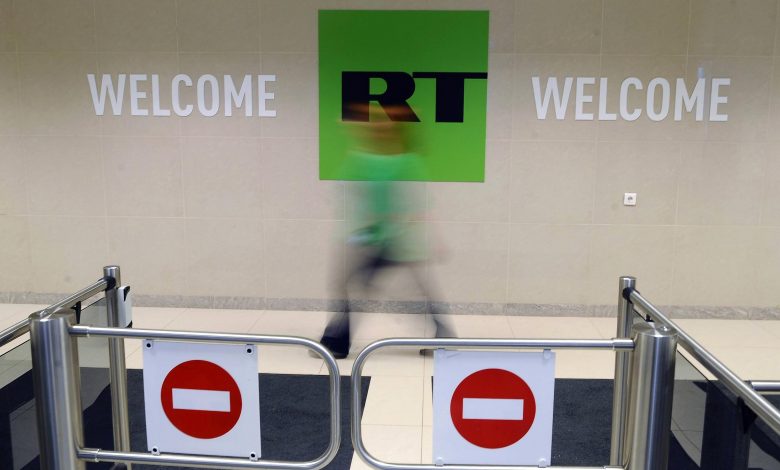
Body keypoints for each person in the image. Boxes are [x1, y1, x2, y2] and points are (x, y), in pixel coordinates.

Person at [317, 104, 454, 359]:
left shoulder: (407, 162)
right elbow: (348, 191)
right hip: (377, 239)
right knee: (359, 285)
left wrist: (434, 239)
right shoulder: (363, 159)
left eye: (384, 127)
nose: (378, 130)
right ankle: (444, 338)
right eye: (376, 127)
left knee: (358, 285)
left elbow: (419, 204)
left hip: (397, 241)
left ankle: (336, 341)